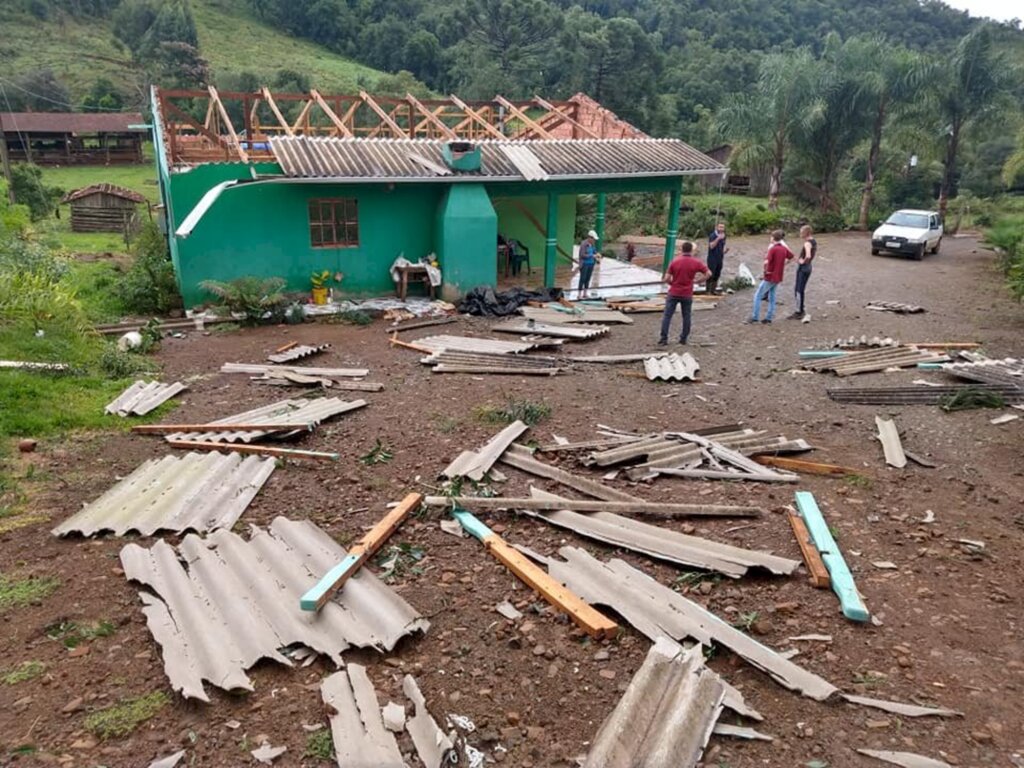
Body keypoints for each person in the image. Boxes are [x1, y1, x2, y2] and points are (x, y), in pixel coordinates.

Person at [659, 240, 709, 345]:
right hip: (687, 293)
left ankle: (664, 338)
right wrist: (698, 281)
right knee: (686, 316)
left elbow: (666, 278)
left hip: (674, 292)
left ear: (681, 249)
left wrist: (672, 284)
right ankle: (683, 339)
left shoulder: (675, 262)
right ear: (691, 250)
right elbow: (709, 273)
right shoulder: (696, 262)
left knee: (667, 316)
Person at [747, 230, 794, 324]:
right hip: (778, 275)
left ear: (773, 238)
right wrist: (783, 264)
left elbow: (766, 262)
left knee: (758, 295)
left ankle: (755, 316)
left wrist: (765, 271)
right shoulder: (784, 248)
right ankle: (769, 317)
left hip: (770, 275)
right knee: (772, 296)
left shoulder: (772, 249)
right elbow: (791, 256)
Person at [790, 225, 816, 319]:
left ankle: (799, 311)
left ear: (806, 233)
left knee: (798, 289)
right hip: (808, 267)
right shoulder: (813, 241)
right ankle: (801, 309)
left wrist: (802, 261)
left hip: (804, 268)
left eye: (801, 232)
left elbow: (808, 255)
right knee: (801, 289)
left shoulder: (807, 243)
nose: (800, 233)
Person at [576, 229, 601, 298]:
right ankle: (579, 294)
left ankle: (585, 293)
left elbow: (594, 251)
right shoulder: (584, 244)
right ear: (590, 237)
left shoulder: (592, 245)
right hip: (584, 264)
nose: (594, 240)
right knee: (582, 278)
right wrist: (592, 256)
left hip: (591, 264)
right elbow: (582, 255)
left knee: (588, 278)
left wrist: (597, 254)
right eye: (593, 239)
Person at [706, 222, 729, 295]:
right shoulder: (713, 235)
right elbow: (711, 246)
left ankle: (713, 290)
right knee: (710, 274)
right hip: (712, 258)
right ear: (716, 227)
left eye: (722, 227)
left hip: (720, 258)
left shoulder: (724, 236)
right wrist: (718, 238)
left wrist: (725, 251)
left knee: (717, 274)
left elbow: (721, 248)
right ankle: (708, 291)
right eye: (720, 227)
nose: (721, 229)